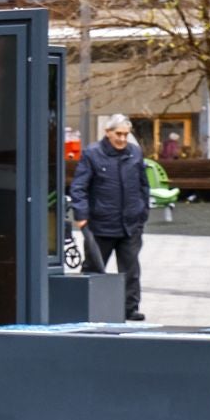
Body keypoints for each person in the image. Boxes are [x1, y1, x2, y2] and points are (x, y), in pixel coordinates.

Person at [68, 114, 148, 321]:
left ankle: (129, 309)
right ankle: (85, 307)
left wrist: (142, 212)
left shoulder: (135, 153)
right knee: (94, 268)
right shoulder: (93, 154)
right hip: (101, 224)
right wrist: (81, 215)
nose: (122, 139)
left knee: (131, 270)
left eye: (125, 134)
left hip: (130, 224)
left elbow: (143, 185)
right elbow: (79, 187)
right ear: (108, 132)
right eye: (118, 134)